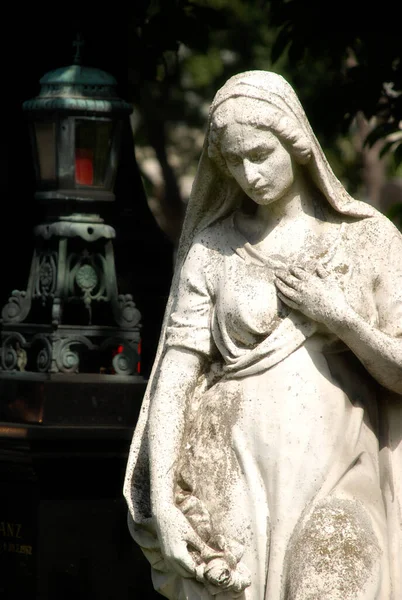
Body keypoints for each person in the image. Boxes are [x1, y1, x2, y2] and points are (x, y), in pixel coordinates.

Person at [124, 71, 402, 600]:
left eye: (260, 153)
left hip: (337, 476)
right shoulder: (214, 249)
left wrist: (340, 317)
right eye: (234, 161)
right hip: (227, 480)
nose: (250, 174)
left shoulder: (366, 240)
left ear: (295, 143)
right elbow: (176, 377)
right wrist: (162, 496)